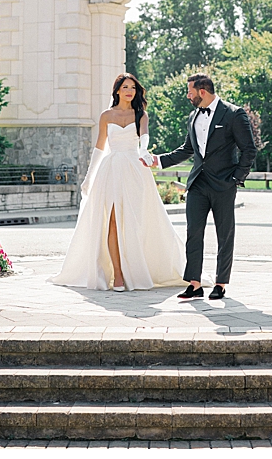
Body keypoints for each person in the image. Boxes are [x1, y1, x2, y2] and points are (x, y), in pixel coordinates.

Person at [49, 73, 186, 292]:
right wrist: (88, 177)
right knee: (111, 221)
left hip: (134, 169)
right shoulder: (106, 115)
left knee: (133, 222)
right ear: (117, 91)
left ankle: (137, 269)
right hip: (111, 170)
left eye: (133, 87)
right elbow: (100, 147)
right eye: (125, 87)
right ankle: (119, 275)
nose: (130, 91)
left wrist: (144, 151)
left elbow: (144, 137)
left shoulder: (141, 115)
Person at [152, 74, 256, 300]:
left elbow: (249, 149)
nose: (187, 95)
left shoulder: (233, 114)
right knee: (193, 233)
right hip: (198, 183)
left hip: (224, 184)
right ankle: (195, 284)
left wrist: (236, 178)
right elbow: (187, 149)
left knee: (224, 234)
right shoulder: (193, 117)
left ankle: (220, 283)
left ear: (202, 91)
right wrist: (158, 160)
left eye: (190, 91)